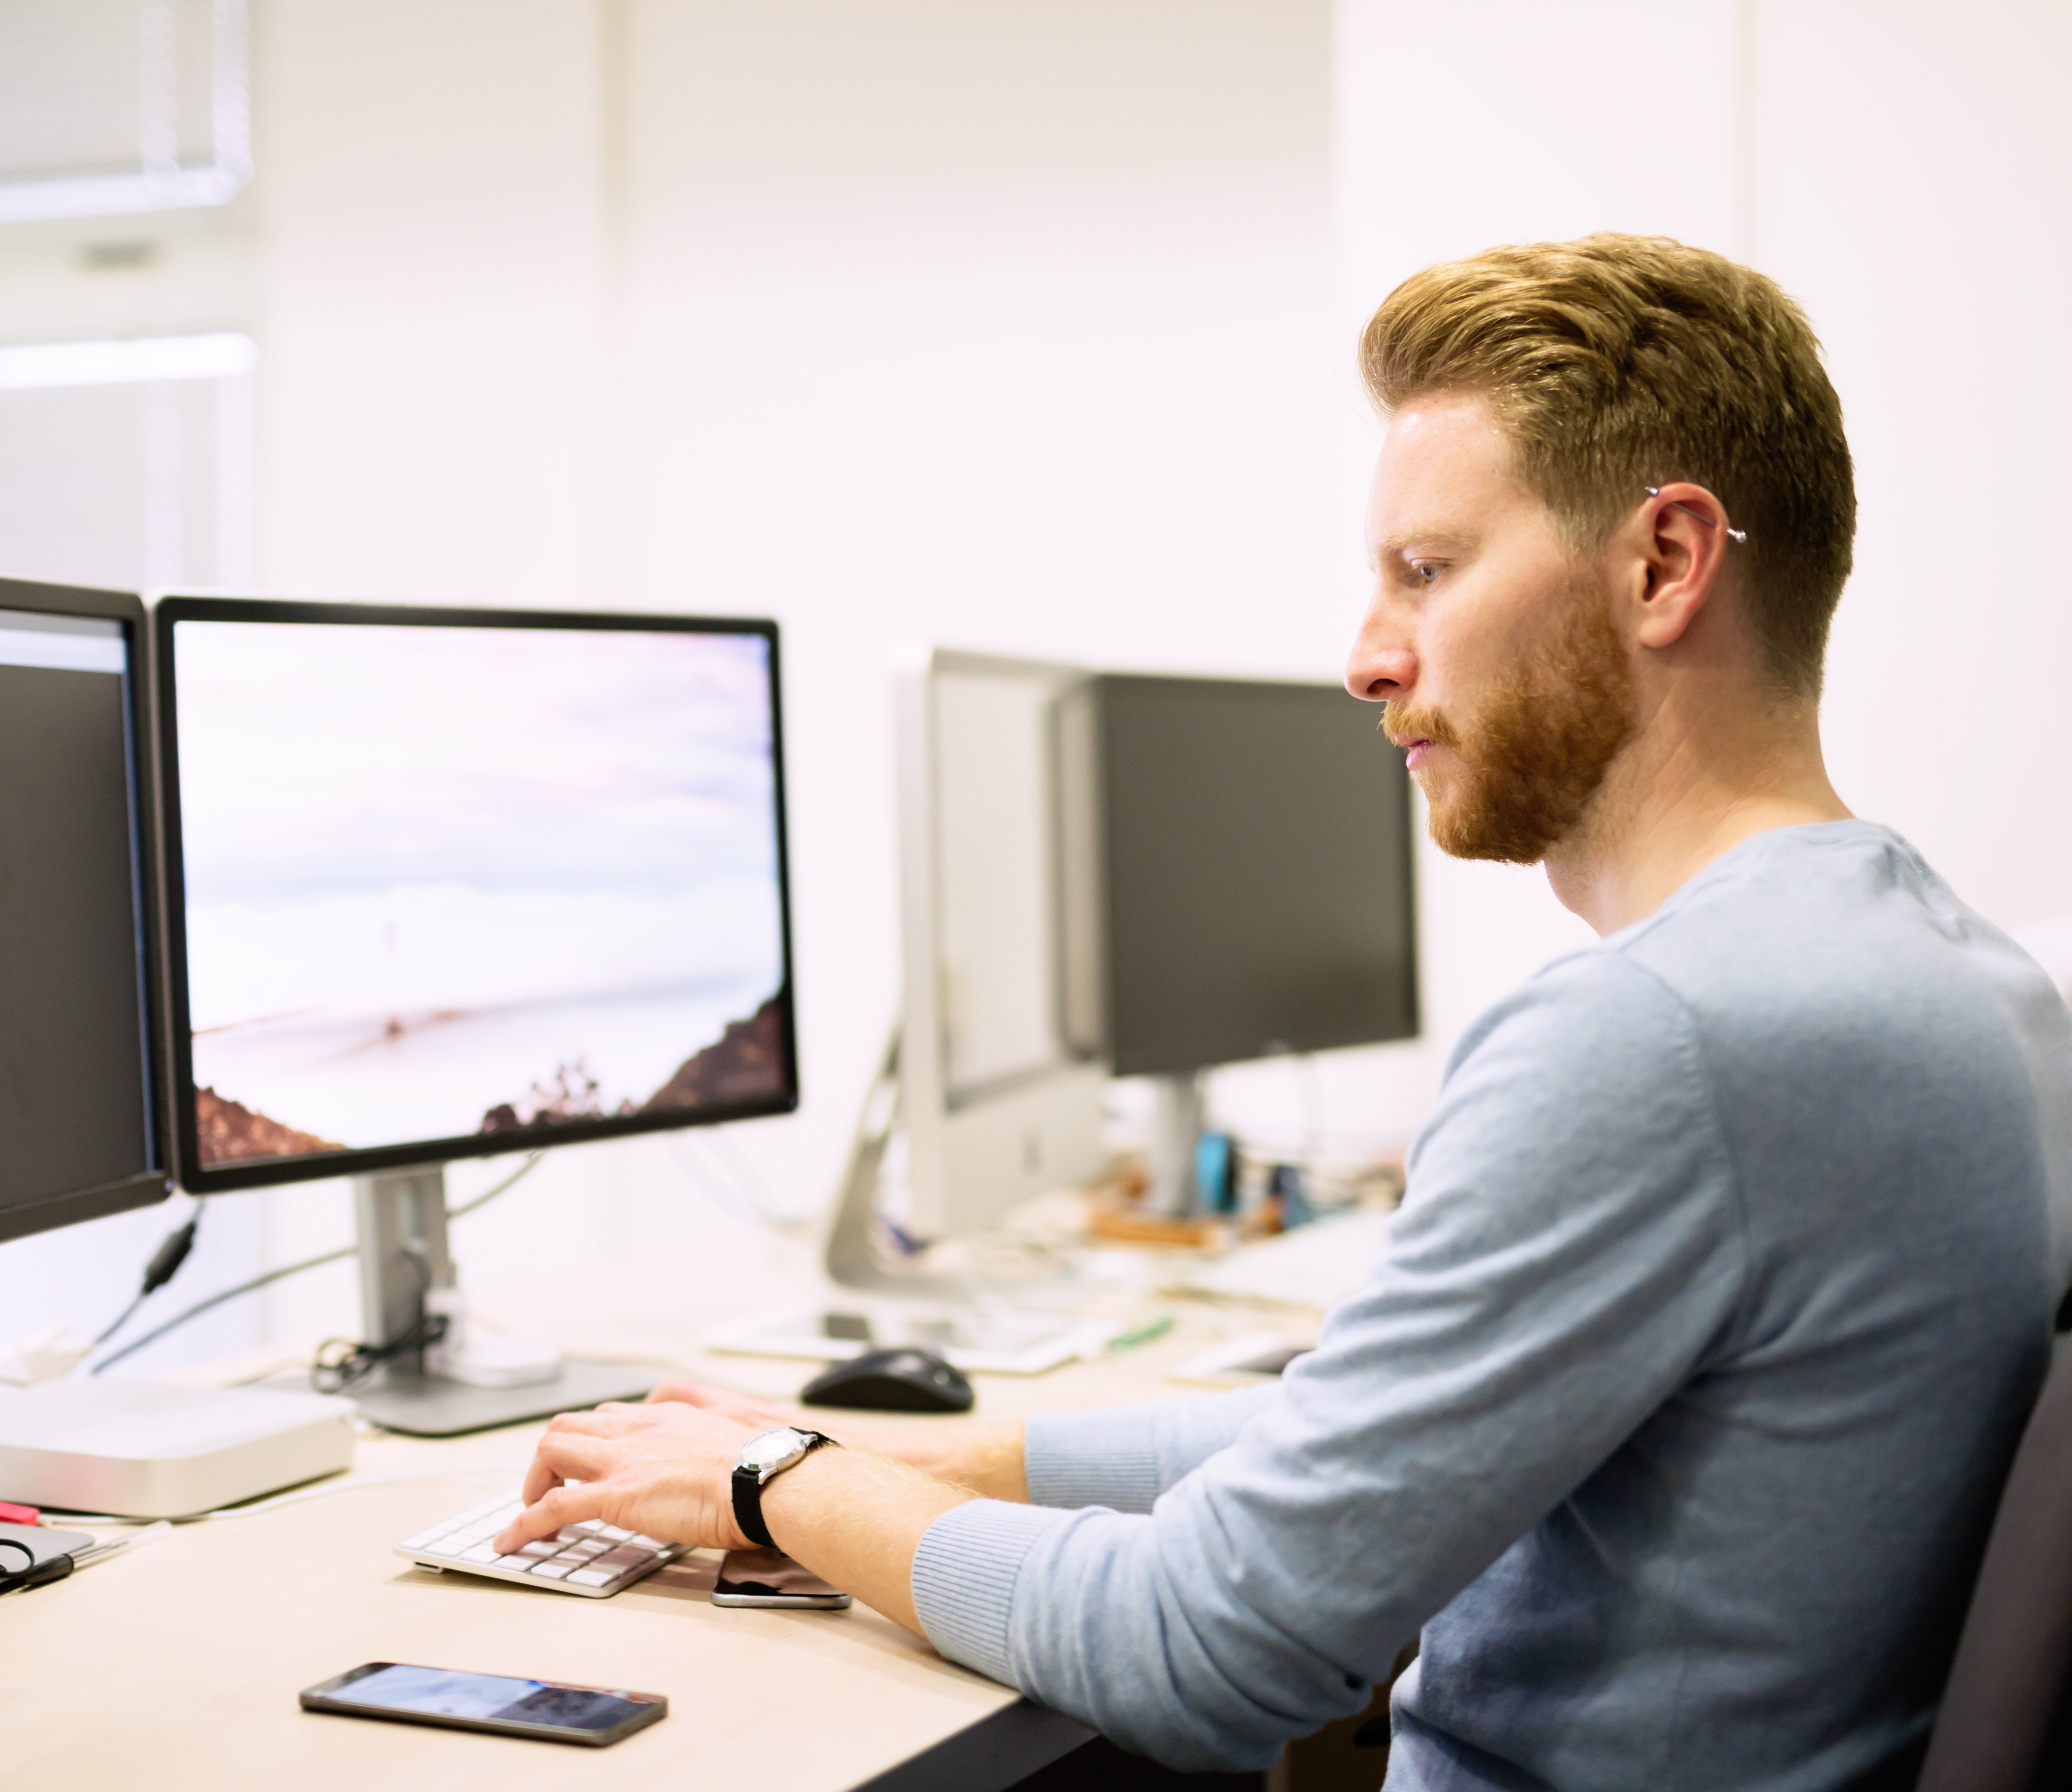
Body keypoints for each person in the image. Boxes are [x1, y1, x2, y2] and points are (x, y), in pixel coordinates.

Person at [495, 235, 2072, 1787]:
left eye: (1428, 572)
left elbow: (1210, 1656)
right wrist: (921, 1454)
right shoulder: (1973, 984)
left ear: (1663, 565)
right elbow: (1349, 1463)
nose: (1367, 660)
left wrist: (783, 1487)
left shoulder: (1660, 1039)